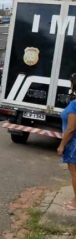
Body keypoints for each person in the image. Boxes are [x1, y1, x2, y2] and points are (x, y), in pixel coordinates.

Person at [58, 73, 76, 211]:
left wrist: (62, 145)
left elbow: (71, 128)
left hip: (73, 144)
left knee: (74, 172)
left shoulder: (74, 105)